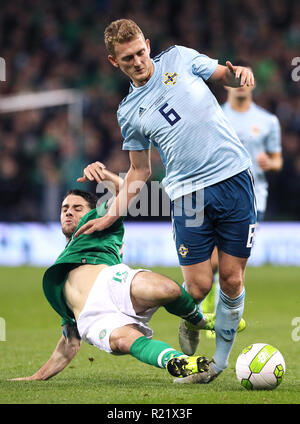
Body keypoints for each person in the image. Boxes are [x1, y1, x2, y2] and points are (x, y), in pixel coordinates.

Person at [75, 19, 254, 382]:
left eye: (141, 52)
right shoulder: (129, 112)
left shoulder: (180, 58)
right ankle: (192, 318)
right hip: (187, 195)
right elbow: (138, 172)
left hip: (233, 177)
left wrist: (239, 76)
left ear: (148, 44)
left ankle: (217, 363)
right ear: (114, 62)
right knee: (199, 287)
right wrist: (110, 215)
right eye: (128, 59)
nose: (139, 61)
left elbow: (225, 74)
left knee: (232, 280)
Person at [10, 166, 236, 384]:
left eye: (77, 208)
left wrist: (103, 175)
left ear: (92, 212)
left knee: (168, 290)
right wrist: (36, 377)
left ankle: (198, 320)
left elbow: (126, 191)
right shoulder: (61, 268)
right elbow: (69, 343)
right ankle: (180, 362)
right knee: (124, 340)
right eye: (64, 208)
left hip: (112, 283)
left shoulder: (97, 225)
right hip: (91, 318)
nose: (68, 211)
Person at [202, 60, 283, 325]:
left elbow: (278, 160)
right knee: (213, 259)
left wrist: (268, 163)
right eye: (233, 79)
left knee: (234, 262)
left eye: (244, 79)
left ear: (253, 84)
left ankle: (223, 316)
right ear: (226, 84)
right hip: (218, 191)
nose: (239, 85)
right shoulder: (215, 116)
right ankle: (209, 296)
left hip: (253, 195)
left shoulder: (268, 121)